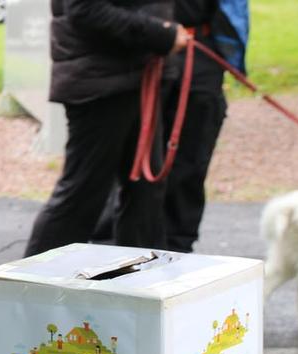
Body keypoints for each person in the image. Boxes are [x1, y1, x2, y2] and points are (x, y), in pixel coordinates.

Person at [24, 0, 191, 257]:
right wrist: (161, 34)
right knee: (82, 193)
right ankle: (31, 286)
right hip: (101, 83)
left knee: (145, 193)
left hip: (136, 77)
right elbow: (86, 10)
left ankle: (140, 284)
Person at [161, 0, 248, 252]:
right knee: (140, 160)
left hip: (200, 49)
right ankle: (122, 246)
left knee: (192, 157)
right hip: (148, 48)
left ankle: (179, 247)